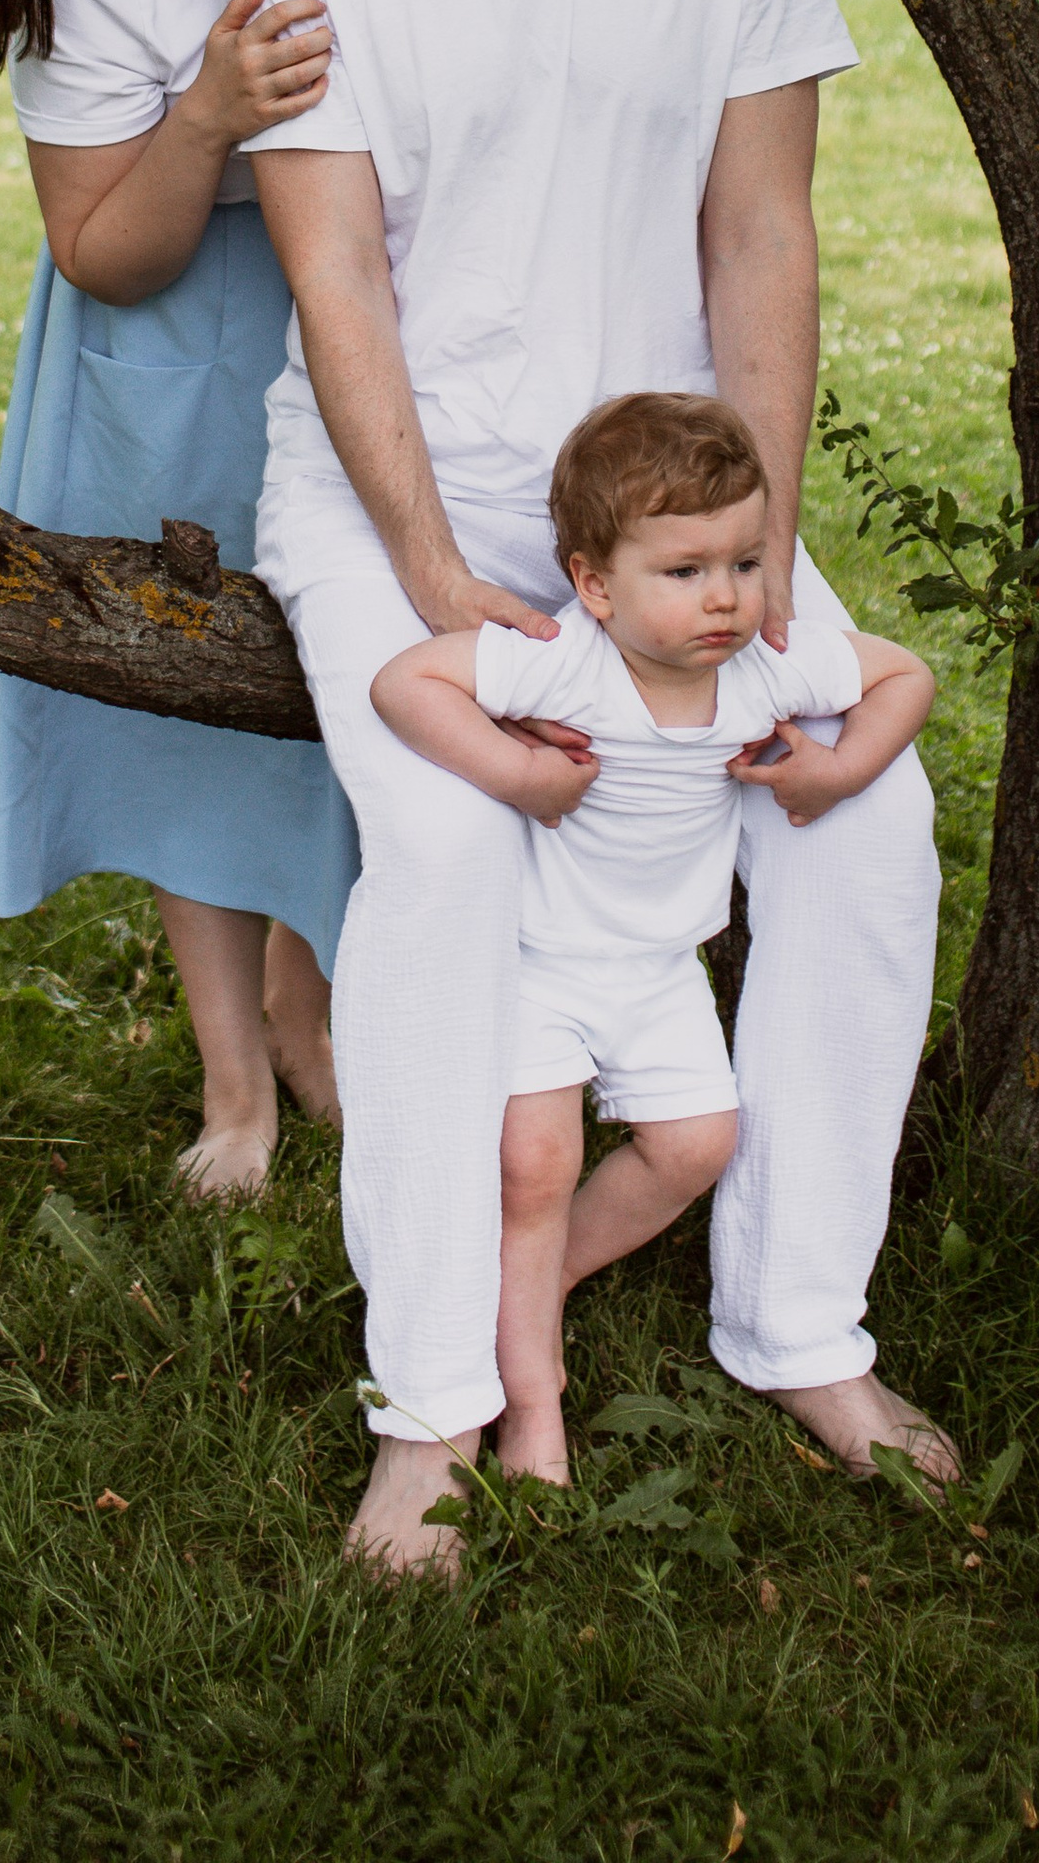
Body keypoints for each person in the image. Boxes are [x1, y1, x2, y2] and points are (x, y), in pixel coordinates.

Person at [233, 0, 956, 1571]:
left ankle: (798, 1322)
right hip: (408, 488)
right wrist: (436, 574)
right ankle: (434, 1407)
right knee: (452, 848)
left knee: (860, 821)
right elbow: (337, 279)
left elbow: (759, 231)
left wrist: (760, 571)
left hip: (667, 499)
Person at [0, 0, 783, 1199]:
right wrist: (207, 115)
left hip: (390, 310)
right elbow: (102, 247)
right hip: (183, 343)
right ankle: (236, 1082)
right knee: (194, 699)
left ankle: (319, 1019)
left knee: (331, 703)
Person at [373, 392, 937, 1485]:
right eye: (683, 572)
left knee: (695, 1146)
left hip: (658, 973)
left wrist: (841, 767)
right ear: (595, 586)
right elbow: (406, 682)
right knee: (534, 1164)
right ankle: (535, 1404)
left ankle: (532, 1287)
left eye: (742, 564)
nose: (723, 598)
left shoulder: (765, 667)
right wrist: (520, 775)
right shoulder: (566, 663)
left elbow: (904, 674)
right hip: (537, 965)